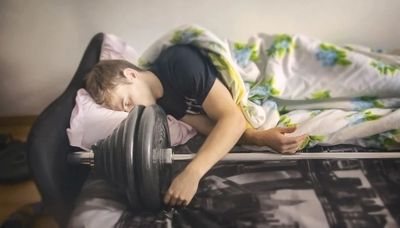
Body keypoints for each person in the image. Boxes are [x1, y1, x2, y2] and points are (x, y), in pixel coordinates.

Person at [84, 44, 308, 208]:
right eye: (124, 110)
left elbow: (233, 119)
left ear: (131, 74)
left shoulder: (177, 62)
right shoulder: (163, 106)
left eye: (127, 102)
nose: (131, 111)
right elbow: (216, 127)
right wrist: (261, 138)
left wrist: (192, 173)